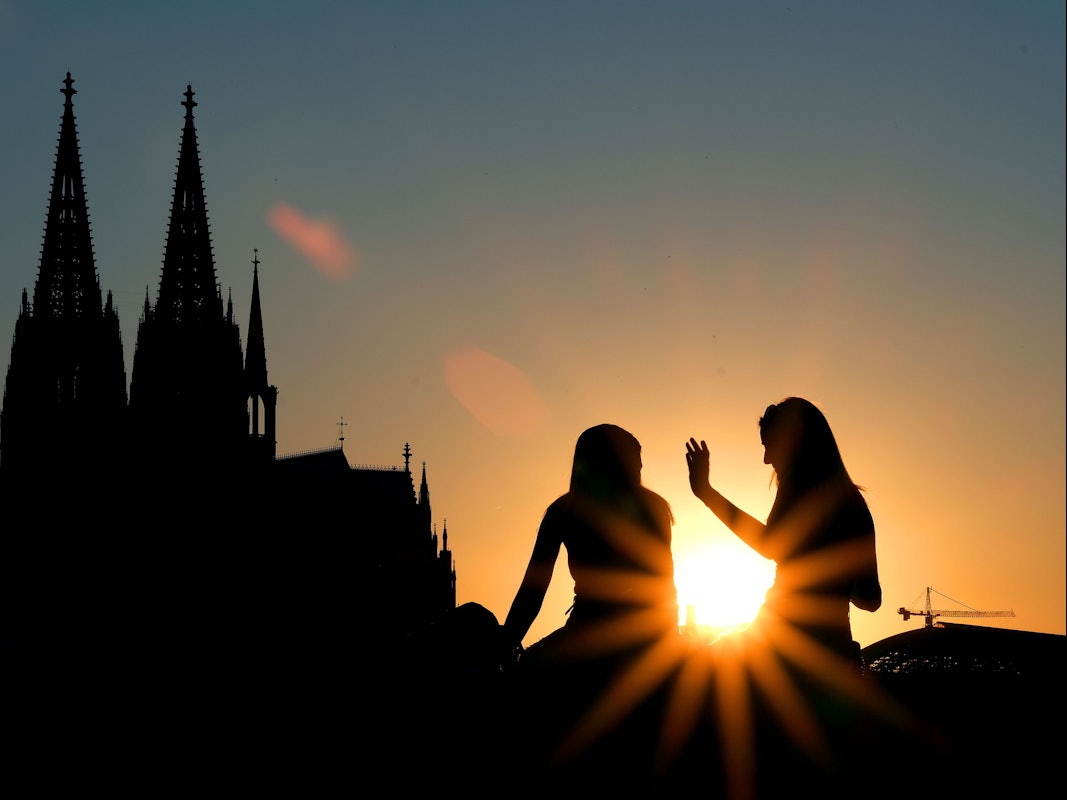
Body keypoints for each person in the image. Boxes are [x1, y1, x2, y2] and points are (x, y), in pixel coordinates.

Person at [502, 424, 681, 786]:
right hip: (637, 637)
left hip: (592, 630)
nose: (640, 472)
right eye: (636, 463)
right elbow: (665, 586)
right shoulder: (652, 508)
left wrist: (505, 646)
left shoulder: (563, 510)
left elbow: (532, 592)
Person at [685, 397, 881, 667]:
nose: (766, 459)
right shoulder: (857, 508)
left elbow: (770, 545)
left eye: (770, 446)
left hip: (780, 647)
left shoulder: (798, 489)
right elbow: (870, 600)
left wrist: (707, 493)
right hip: (835, 652)